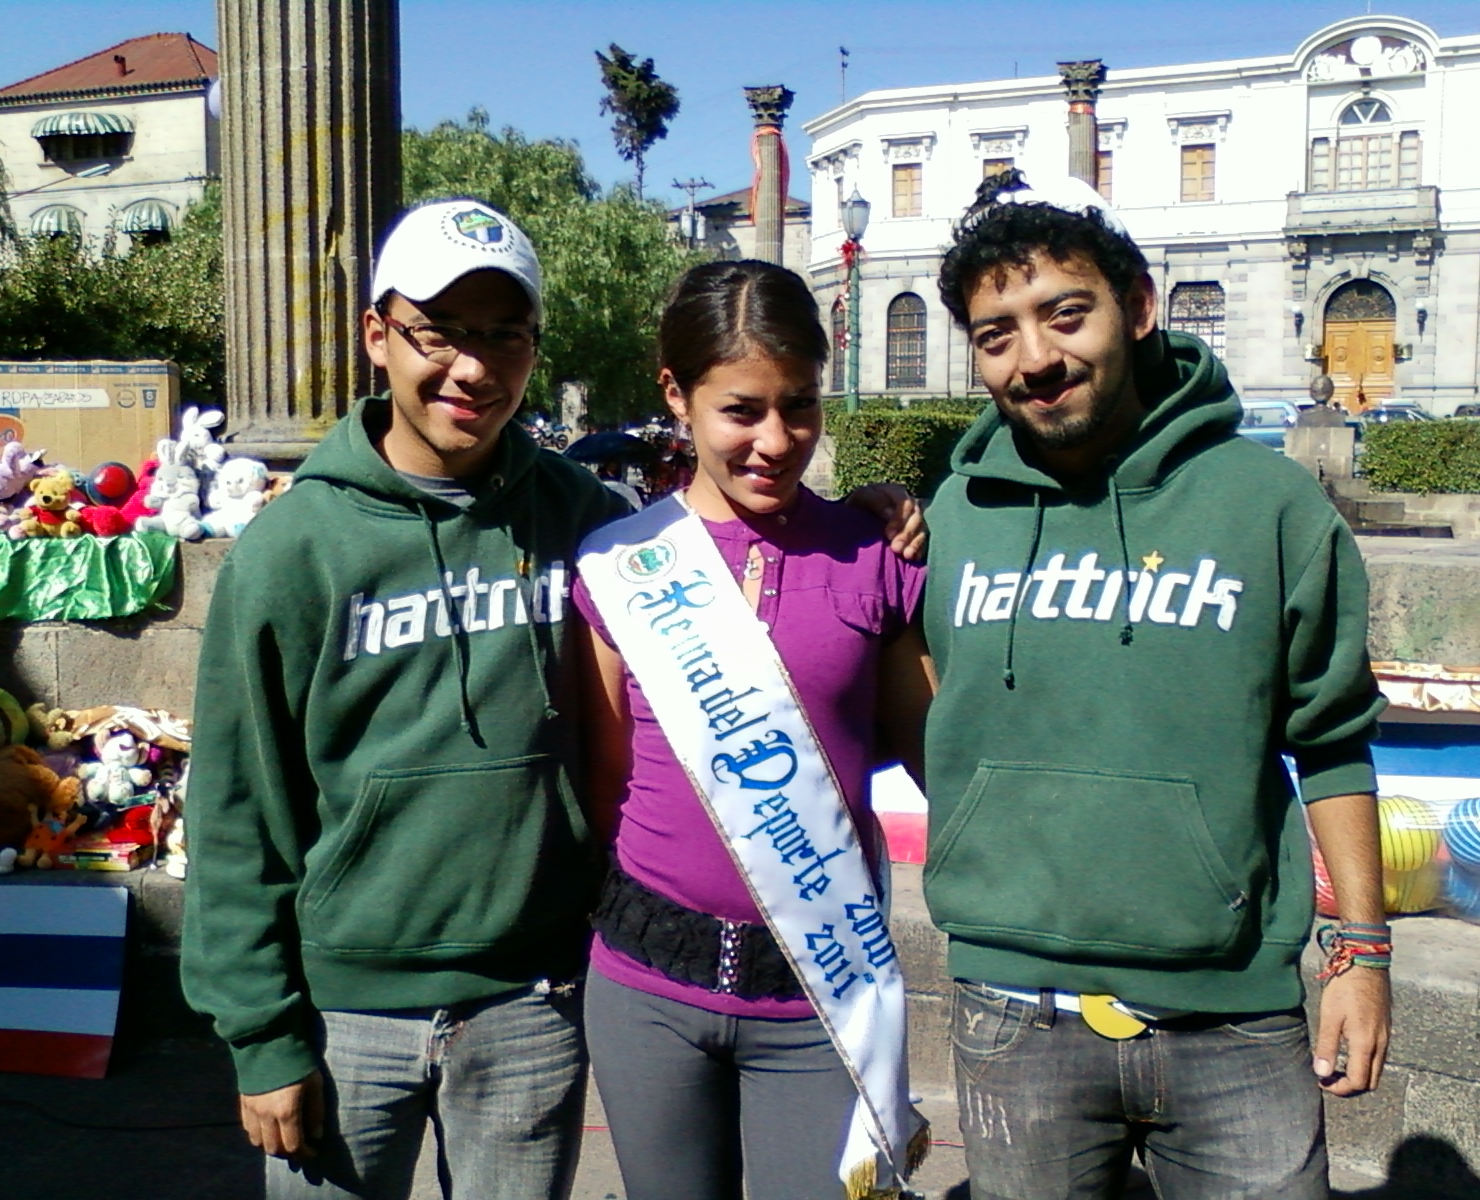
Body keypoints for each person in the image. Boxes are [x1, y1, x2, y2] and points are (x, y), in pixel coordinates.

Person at [919, 174, 1390, 1199]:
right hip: (1012, 1007)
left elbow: (1334, 738)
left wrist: (1361, 953)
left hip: (1234, 1022)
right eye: (995, 334)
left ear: (1135, 308)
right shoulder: (946, 517)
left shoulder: (1267, 506)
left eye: (1064, 315)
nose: (1034, 358)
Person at [180, 199, 629, 1200]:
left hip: (530, 1006)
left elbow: (733, 563)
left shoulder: (589, 520)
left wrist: (866, 523)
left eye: (502, 335)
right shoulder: (292, 551)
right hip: (345, 1021)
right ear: (379, 337)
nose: (473, 368)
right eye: (440, 333)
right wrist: (262, 1037)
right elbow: (234, 810)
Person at [572, 260, 934, 1200]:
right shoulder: (618, 566)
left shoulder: (875, 557)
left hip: (822, 995)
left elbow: (916, 749)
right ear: (676, 396)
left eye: (801, 407)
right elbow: (609, 781)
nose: (776, 441)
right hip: (647, 991)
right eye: (741, 410)